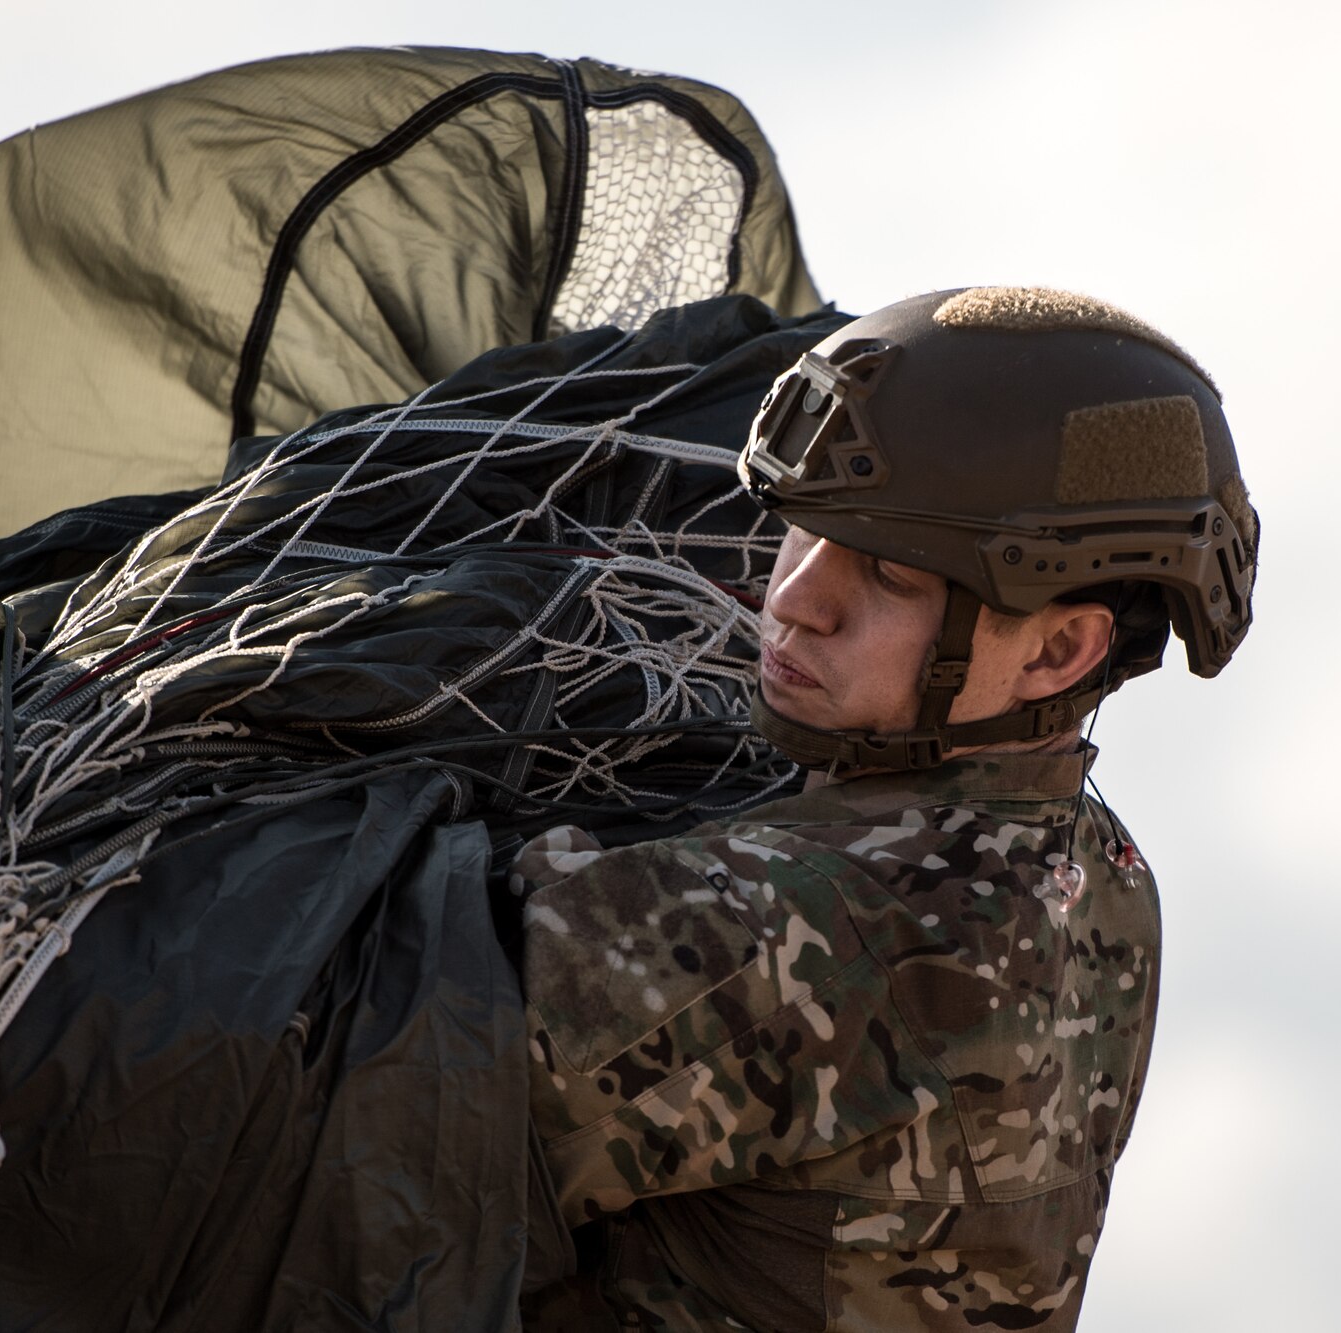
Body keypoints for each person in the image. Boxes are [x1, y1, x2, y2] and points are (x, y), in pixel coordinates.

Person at [516, 286, 1259, 1330]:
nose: (793, 598)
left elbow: (347, 1089)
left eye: (889, 577)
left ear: (1055, 650)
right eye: (801, 532)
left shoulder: (810, 919)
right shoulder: (1098, 870)